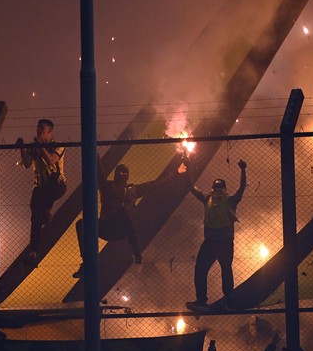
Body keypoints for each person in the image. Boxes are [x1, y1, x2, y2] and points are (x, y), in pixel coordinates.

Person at [73, 157, 186, 278]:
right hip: (105, 226)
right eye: (119, 172)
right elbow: (99, 172)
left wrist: (176, 172)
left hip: (122, 228)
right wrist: (94, 153)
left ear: (127, 176)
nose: (121, 174)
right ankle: (87, 263)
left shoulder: (133, 190)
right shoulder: (108, 186)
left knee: (124, 212)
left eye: (124, 173)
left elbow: (156, 184)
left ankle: (137, 253)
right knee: (81, 224)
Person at [185, 159, 246, 311]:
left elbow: (191, 187)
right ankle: (230, 301)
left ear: (213, 188)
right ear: (224, 189)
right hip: (226, 242)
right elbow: (241, 188)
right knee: (226, 269)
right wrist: (243, 169)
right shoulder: (230, 200)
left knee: (201, 269)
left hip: (210, 242)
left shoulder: (207, 198)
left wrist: (189, 167)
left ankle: (201, 301)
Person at [17, 119, 67, 262]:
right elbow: (27, 164)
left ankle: (47, 210)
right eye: (38, 127)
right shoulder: (34, 146)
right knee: (35, 218)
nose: (38, 130)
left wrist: (40, 147)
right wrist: (22, 148)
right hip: (40, 187)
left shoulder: (58, 146)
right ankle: (33, 251)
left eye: (42, 128)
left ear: (49, 132)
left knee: (52, 181)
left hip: (56, 185)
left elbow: (52, 160)